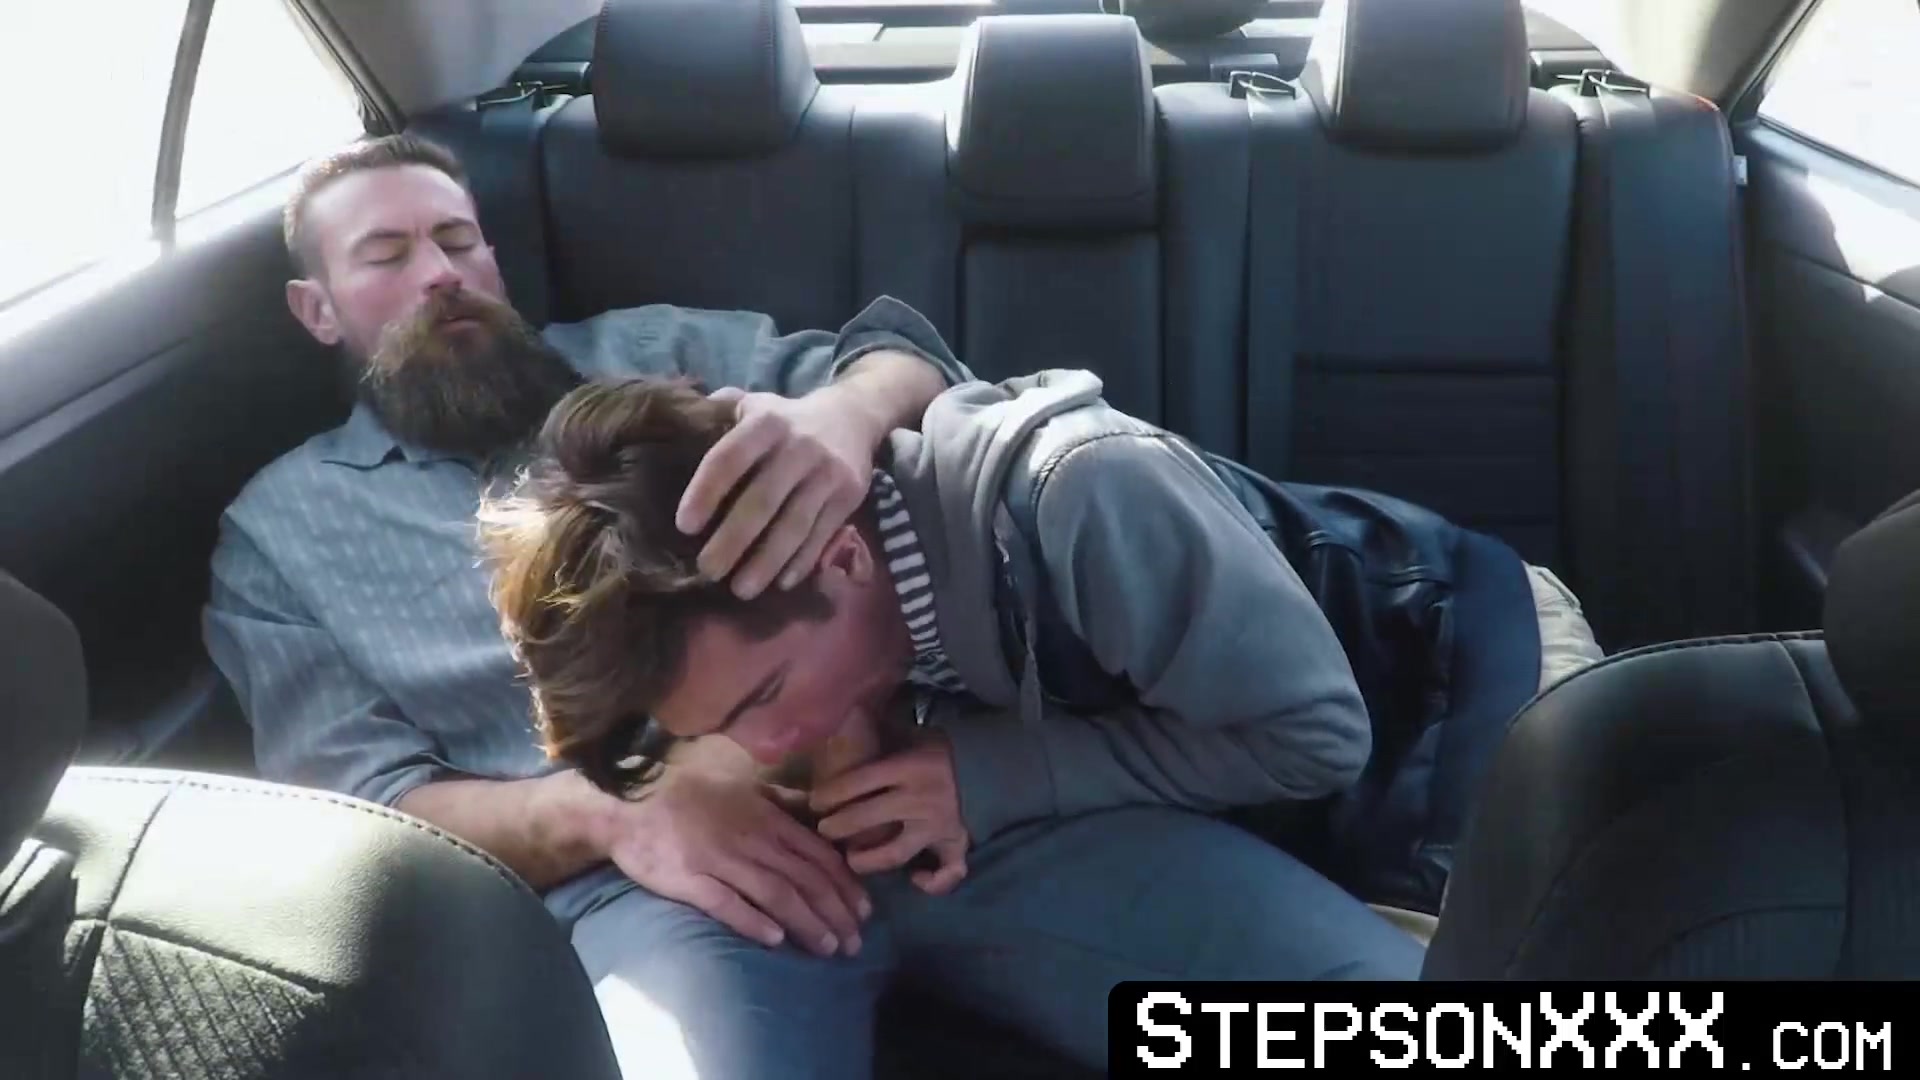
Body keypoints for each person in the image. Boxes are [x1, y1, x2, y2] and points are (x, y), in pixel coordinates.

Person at [478, 372, 1605, 1070]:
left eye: (763, 700)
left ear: (841, 555)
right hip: (1208, 722)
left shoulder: (1078, 497)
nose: (761, 753)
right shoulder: (776, 577)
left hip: (1443, 676)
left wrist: (989, 777)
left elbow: (1314, 739)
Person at [198, 133, 1000, 1077]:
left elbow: (911, 364)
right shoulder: (280, 533)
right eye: (386, 254)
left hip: (931, 788)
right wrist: (613, 812)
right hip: (660, 893)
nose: (440, 273)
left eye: (458, 240)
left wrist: (845, 417)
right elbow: (366, 820)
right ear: (317, 308)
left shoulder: (650, 352)